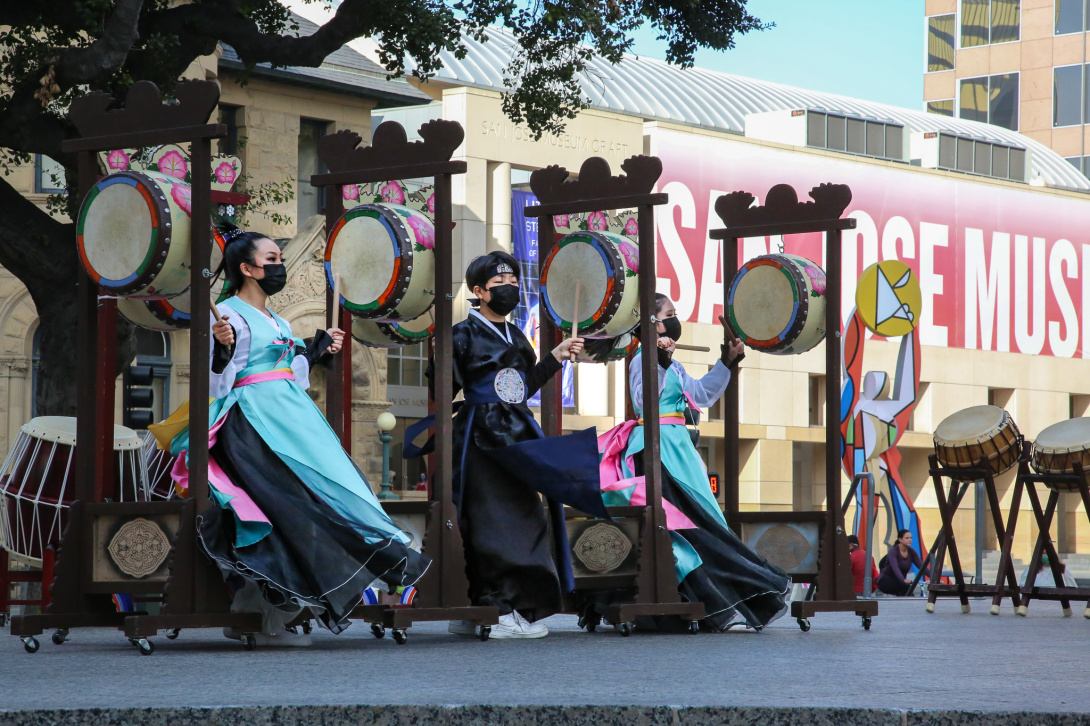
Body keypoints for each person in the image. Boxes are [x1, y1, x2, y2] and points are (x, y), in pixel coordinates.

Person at [156, 225, 430, 645]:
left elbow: (290, 372)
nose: (278, 265)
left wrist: (317, 348)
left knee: (328, 493)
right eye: (271, 260)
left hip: (293, 417)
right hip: (255, 423)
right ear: (247, 268)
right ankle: (265, 613)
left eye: (280, 259)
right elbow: (219, 384)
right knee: (290, 509)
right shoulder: (227, 314)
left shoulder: (277, 319)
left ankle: (272, 610)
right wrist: (222, 350)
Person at [595, 293, 792, 631]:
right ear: (652, 323)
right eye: (669, 314)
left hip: (678, 447)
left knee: (705, 524)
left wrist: (726, 361)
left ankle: (722, 602)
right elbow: (645, 403)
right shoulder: (642, 358)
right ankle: (714, 605)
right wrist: (659, 359)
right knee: (688, 529)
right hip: (656, 447)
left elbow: (700, 395)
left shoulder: (668, 360)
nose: (675, 319)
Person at [433, 250, 593, 640]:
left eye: (512, 283)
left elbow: (520, 389)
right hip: (479, 437)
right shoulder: (461, 335)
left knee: (525, 518)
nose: (508, 290)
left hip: (517, 433)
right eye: (498, 285)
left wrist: (554, 358)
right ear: (478, 292)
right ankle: (496, 609)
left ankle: (495, 608)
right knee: (490, 523)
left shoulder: (518, 335)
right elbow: (440, 389)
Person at [876, 529, 928, 596]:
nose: (910, 540)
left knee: (907, 589)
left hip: (900, 582)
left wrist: (935, 577)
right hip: (885, 581)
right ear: (900, 539)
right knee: (906, 588)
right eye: (907, 538)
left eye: (910, 538)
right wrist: (903, 580)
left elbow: (922, 567)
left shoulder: (911, 552)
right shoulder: (893, 551)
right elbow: (895, 568)